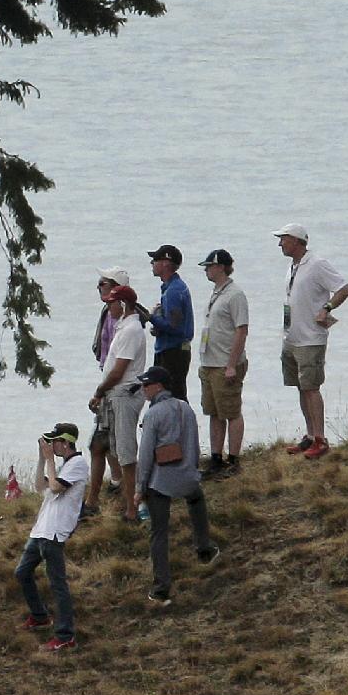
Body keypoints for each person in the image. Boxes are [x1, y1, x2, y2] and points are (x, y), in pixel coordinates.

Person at [134, 364, 217, 606]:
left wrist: (140, 488)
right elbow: (194, 444)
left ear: (158, 386)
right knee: (196, 500)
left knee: (158, 533)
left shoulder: (152, 414)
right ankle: (204, 548)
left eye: (146, 385)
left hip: (161, 481)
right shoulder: (185, 409)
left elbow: (146, 454)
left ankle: (161, 588)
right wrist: (192, 471)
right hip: (188, 475)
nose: (143, 390)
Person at [275, 223, 348, 459]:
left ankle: (320, 438)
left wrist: (326, 308)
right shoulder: (294, 266)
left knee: (311, 387)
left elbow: (344, 289)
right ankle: (310, 435)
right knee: (300, 386)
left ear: (297, 241)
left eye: (284, 239)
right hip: (292, 337)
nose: (280, 244)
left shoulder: (317, 264)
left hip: (311, 338)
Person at [15, 420, 90, 650]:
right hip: (41, 531)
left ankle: (65, 635)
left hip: (55, 533)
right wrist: (42, 458)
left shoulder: (78, 464)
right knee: (22, 572)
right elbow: (40, 485)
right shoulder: (63, 466)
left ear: (66, 443)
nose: (52, 446)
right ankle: (40, 616)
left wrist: (49, 460)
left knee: (58, 585)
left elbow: (56, 487)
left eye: (54, 442)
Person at [90, 275, 147, 526]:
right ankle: (125, 503)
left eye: (113, 303)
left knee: (125, 452)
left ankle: (132, 508)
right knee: (108, 445)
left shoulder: (132, 330)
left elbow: (119, 369)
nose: (109, 307)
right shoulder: (125, 327)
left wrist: (100, 390)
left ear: (122, 305)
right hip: (117, 394)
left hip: (124, 394)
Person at [196, 250, 250, 476]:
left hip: (225, 364)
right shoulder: (216, 292)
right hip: (209, 363)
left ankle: (234, 459)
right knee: (214, 411)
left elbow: (241, 330)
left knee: (231, 410)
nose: (207, 269)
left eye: (210, 266)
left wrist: (231, 364)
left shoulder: (235, 294)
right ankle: (216, 457)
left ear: (221, 267)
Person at [145, 245, 195, 388]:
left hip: (173, 352)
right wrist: (158, 327)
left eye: (154, 260)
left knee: (171, 393)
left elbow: (175, 326)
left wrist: (151, 317)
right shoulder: (172, 288)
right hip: (174, 349)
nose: (152, 264)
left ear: (165, 263)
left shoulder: (173, 291)